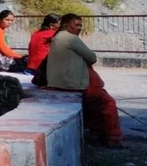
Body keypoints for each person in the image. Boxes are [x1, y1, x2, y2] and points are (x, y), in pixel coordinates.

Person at [47, 14, 123, 147]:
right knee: (108, 103)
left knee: (92, 104)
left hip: (56, 83)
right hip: (73, 84)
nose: (79, 28)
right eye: (76, 25)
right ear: (66, 25)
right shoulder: (71, 38)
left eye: (80, 25)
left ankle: (95, 132)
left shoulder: (57, 37)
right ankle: (113, 137)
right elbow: (92, 58)